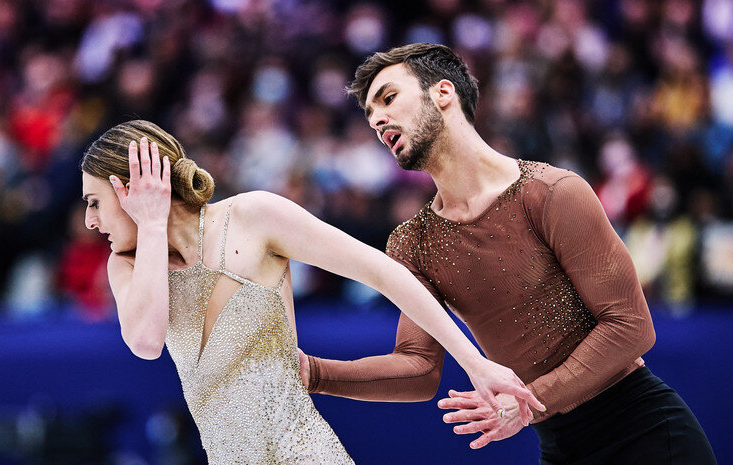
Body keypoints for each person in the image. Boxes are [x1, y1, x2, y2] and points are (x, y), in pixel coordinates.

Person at [300, 43, 717, 464]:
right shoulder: (413, 243)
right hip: (561, 447)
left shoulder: (552, 192)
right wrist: (311, 373)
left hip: (646, 434)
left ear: (443, 93)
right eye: (370, 116)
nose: (377, 120)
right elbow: (418, 369)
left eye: (388, 99)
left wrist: (528, 400)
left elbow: (631, 327)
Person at [79, 120, 543, 464]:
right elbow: (145, 341)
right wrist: (155, 224)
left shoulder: (252, 217)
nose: (90, 221)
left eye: (95, 202)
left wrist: (476, 365)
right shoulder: (127, 265)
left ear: (133, 185)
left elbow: (386, 273)